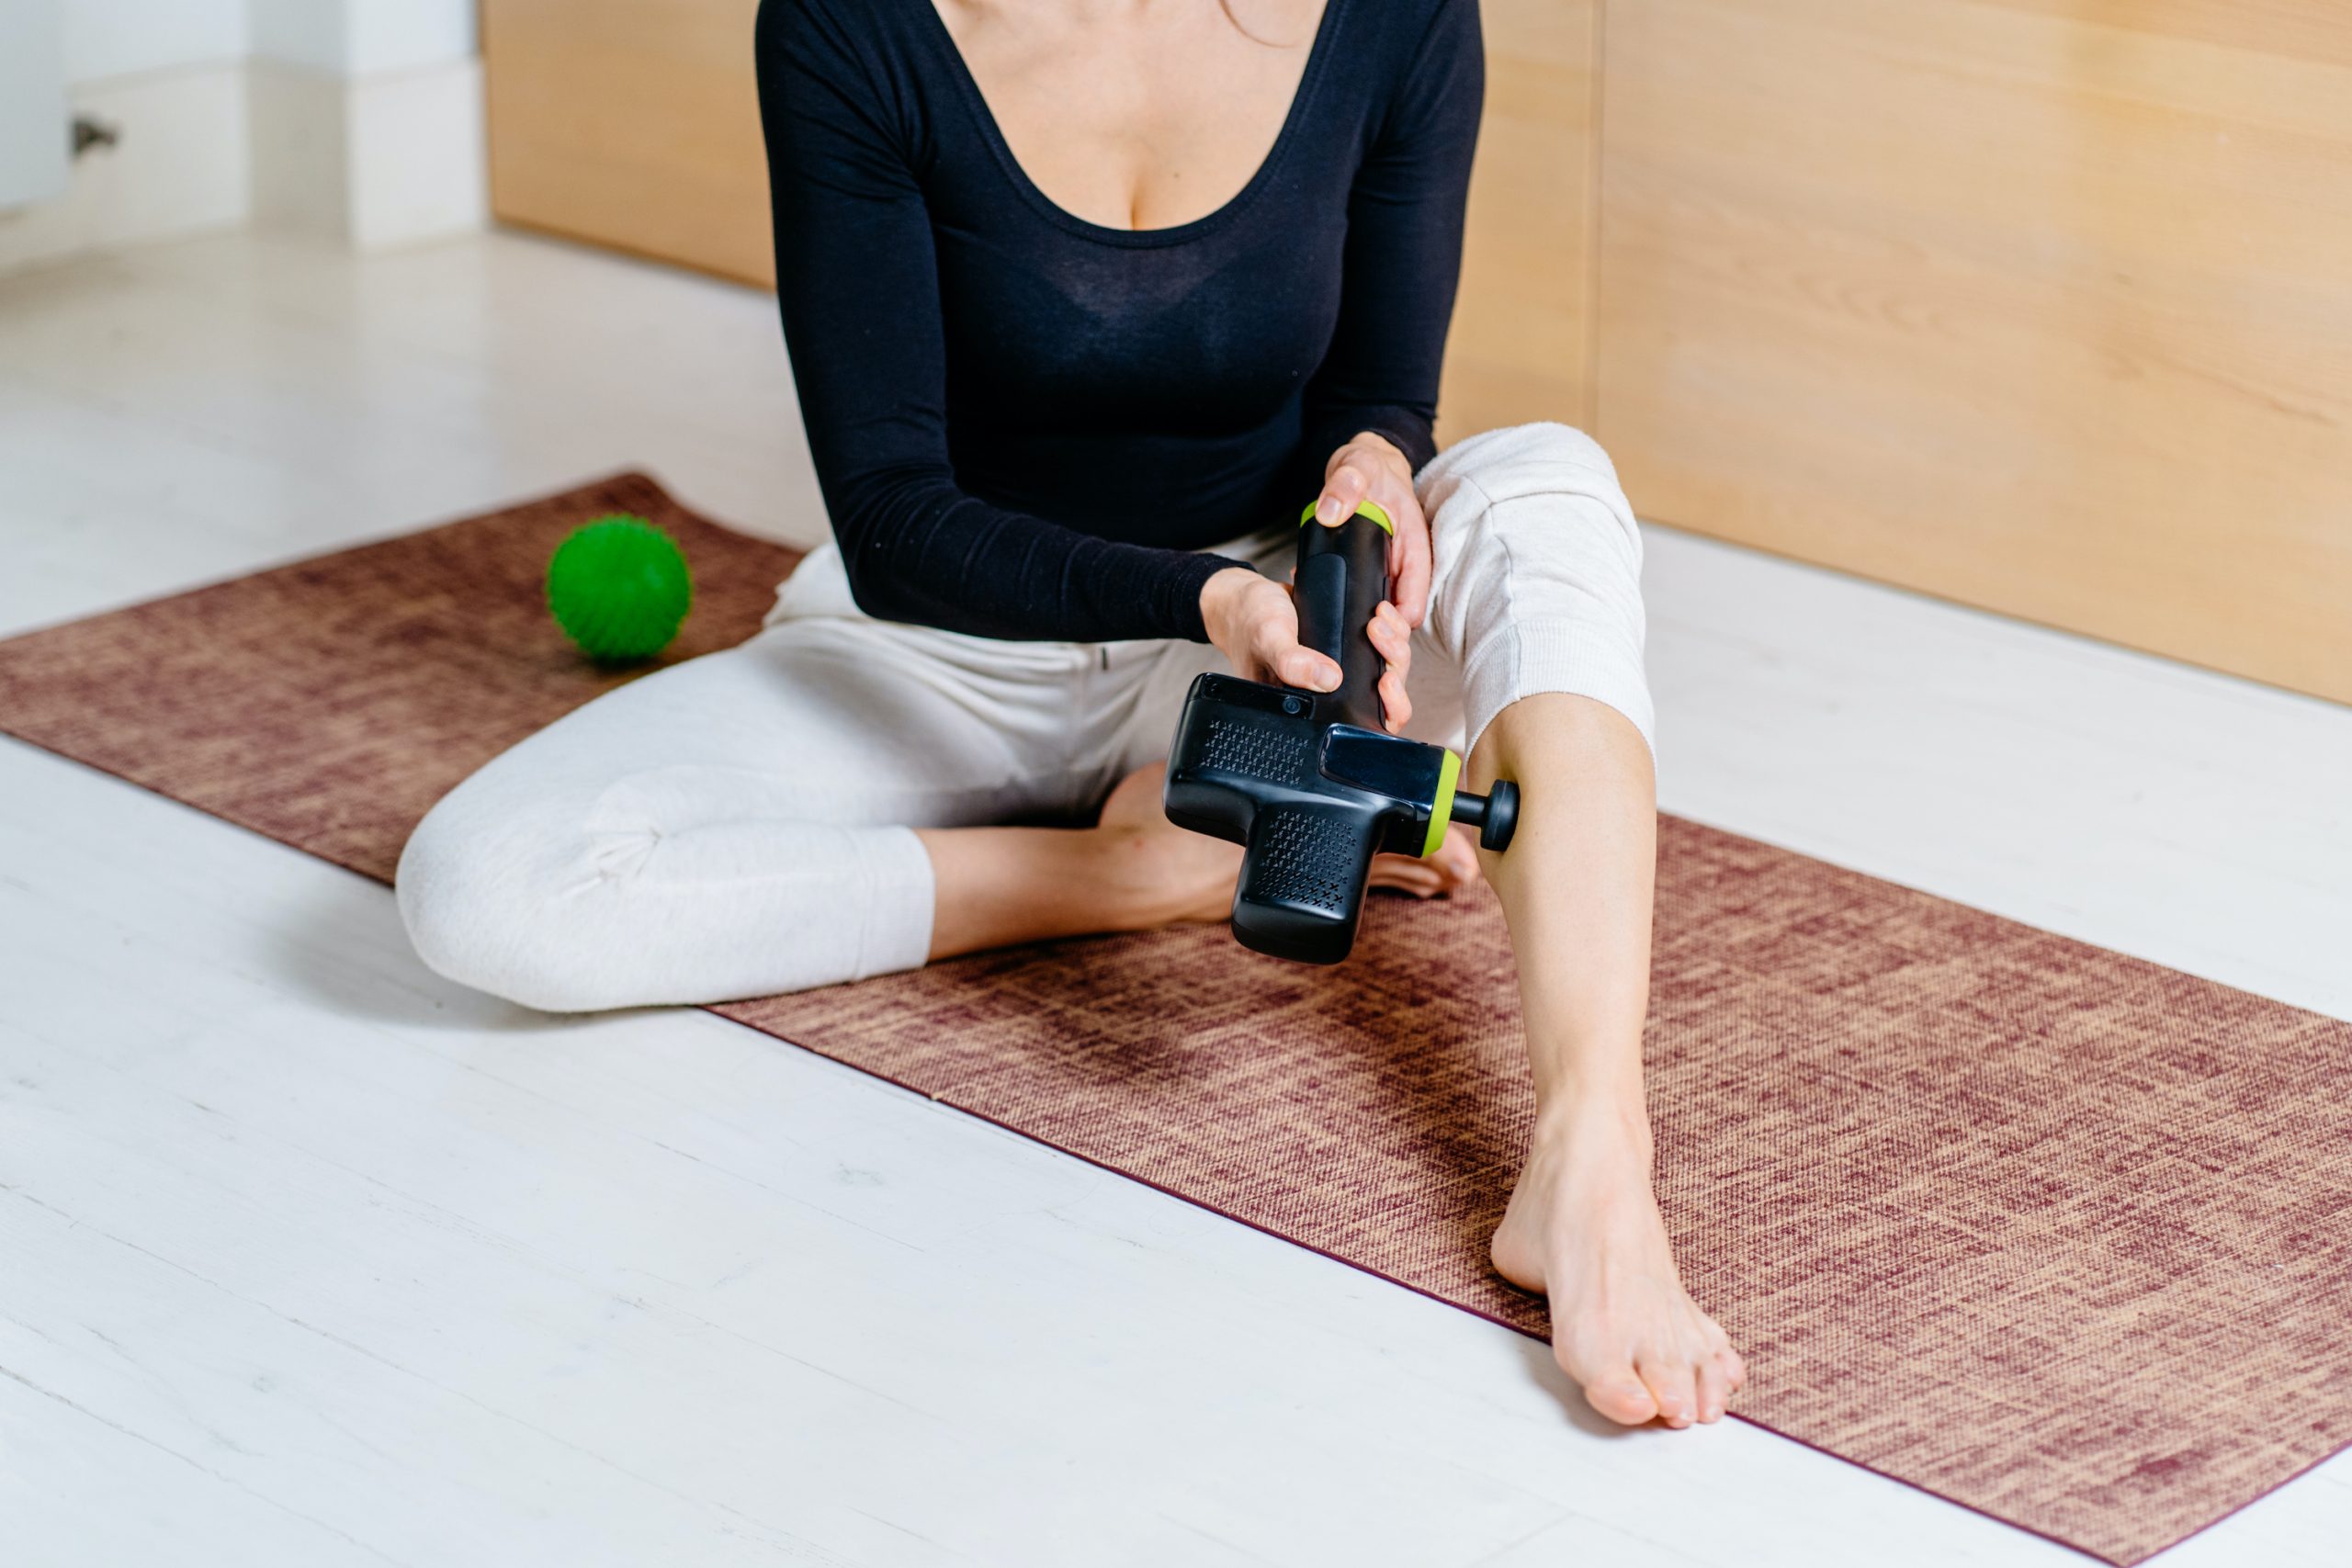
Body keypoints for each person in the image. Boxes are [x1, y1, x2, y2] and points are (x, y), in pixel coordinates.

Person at [395, 0, 1747, 1429]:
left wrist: (1372, 470)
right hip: (945, 650)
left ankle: (1592, 1163)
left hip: (1264, 646)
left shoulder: (1393, 15)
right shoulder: (850, 28)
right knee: (487, 890)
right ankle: (1139, 868)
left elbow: (1378, 397)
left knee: (1547, 476)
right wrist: (1192, 631)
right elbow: (893, 521)